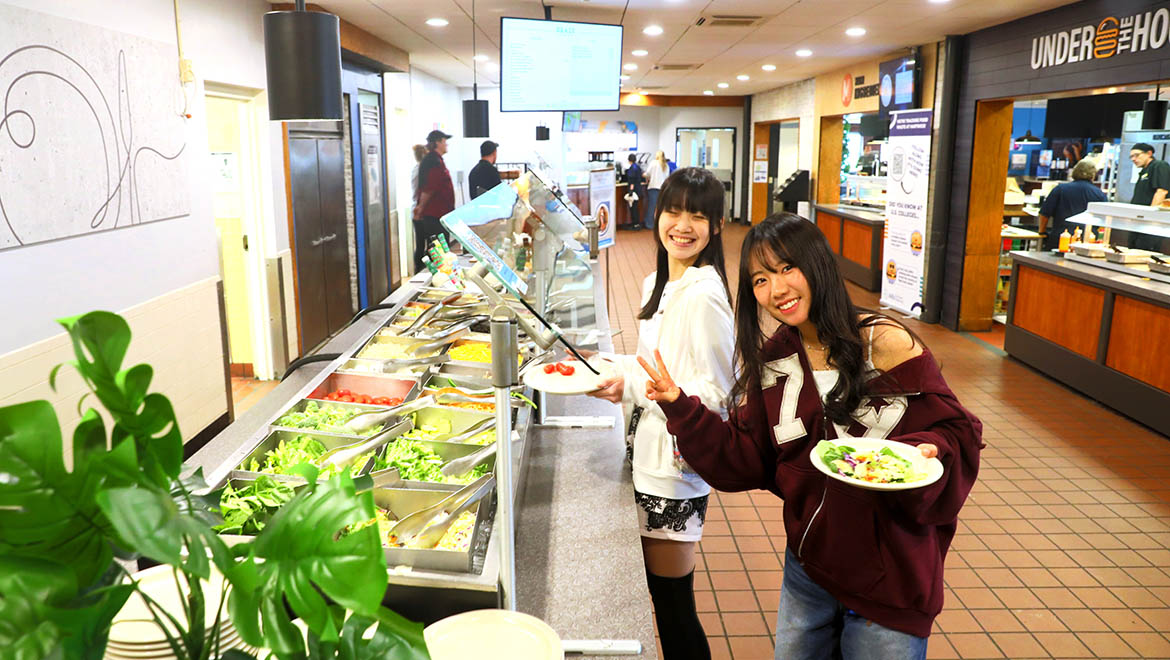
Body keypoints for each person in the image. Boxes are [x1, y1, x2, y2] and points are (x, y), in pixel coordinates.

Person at [637, 213, 983, 660]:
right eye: (760, 280)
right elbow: (745, 457)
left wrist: (933, 451)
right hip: (808, 566)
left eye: (786, 269)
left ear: (816, 264)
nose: (776, 290)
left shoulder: (884, 343)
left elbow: (958, 430)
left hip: (890, 578)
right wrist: (680, 407)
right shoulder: (777, 358)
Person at [587, 167, 734, 660]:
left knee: (673, 605)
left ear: (716, 225)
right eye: (674, 210)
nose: (683, 224)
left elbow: (716, 394)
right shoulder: (663, 280)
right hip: (648, 452)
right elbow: (663, 366)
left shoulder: (705, 295)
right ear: (657, 213)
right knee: (662, 598)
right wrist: (618, 371)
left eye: (699, 214)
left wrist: (631, 383)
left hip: (675, 469)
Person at [1037, 159, 1106, 251]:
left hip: (1060, 239)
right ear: (1093, 175)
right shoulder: (1099, 194)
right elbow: (1104, 221)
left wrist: (1042, 232)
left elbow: (1044, 213)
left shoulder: (1060, 189)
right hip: (1087, 241)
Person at [414, 130, 455, 270]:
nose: (446, 144)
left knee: (439, 251)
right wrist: (420, 208)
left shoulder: (435, 160)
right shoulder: (432, 161)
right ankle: (437, 279)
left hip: (439, 214)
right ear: (438, 142)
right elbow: (429, 188)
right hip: (434, 215)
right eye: (444, 141)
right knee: (438, 252)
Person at [1128, 142, 1170, 251]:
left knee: (1144, 253)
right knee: (1133, 249)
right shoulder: (1143, 171)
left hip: (1151, 223)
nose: (1133, 159)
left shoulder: (1159, 166)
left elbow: (1161, 191)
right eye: (1131, 156)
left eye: (1136, 155)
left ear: (1149, 153)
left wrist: (1150, 216)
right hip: (1139, 220)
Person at [643, 151, 669, 230]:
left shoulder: (654, 163)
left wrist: (644, 175)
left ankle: (649, 224)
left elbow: (647, 174)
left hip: (654, 187)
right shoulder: (666, 165)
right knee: (660, 207)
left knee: (652, 206)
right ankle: (659, 224)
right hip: (663, 188)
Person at [625, 154, 646, 229]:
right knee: (635, 207)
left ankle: (635, 224)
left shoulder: (632, 168)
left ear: (629, 160)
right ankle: (636, 223)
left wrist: (630, 191)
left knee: (633, 208)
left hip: (634, 191)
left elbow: (632, 181)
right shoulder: (637, 167)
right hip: (638, 189)